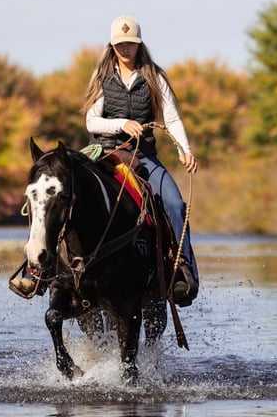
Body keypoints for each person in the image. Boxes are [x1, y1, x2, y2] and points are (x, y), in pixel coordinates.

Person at [82, 15, 199, 306]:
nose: (125, 49)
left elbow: (172, 118)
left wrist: (184, 150)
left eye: (130, 44)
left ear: (139, 45)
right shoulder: (102, 76)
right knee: (63, 190)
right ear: (112, 46)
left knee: (175, 204)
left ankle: (184, 270)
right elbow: (91, 121)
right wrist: (121, 124)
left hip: (144, 157)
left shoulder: (154, 76)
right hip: (105, 153)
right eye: (120, 44)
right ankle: (40, 268)